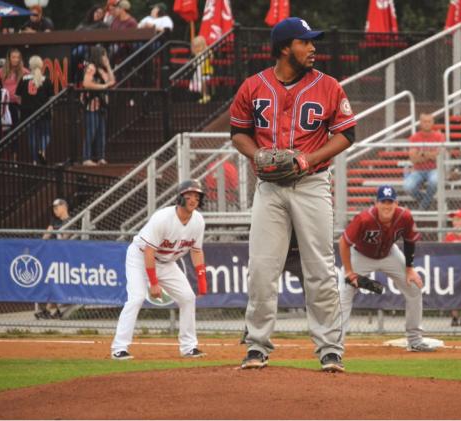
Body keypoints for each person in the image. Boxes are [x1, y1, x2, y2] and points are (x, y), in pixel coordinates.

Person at [230, 17, 356, 373]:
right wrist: (255, 154)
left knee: (319, 269)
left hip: (312, 185)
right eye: (306, 42)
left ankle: (330, 348)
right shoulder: (252, 87)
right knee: (261, 269)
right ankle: (256, 346)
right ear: (286, 47)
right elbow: (238, 133)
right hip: (269, 188)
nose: (313, 47)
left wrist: (308, 158)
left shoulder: (329, 86)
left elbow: (347, 133)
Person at [111, 180, 208, 359]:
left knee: (188, 298)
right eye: (189, 196)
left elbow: (196, 250)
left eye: (197, 196)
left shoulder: (198, 221)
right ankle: (119, 348)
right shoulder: (163, 218)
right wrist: (154, 283)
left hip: (167, 262)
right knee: (137, 298)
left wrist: (202, 279)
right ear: (180, 198)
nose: (194, 200)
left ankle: (189, 347)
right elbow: (149, 251)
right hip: (140, 258)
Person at [338, 185, 436, 352]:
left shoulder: (404, 216)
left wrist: (409, 268)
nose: (387, 205)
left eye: (390, 202)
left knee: (414, 288)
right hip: (360, 256)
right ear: (376, 203)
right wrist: (349, 272)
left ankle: (415, 340)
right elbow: (344, 243)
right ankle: (335, 344)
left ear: (396, 203)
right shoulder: (364, 218)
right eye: (383, 201)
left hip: (390, 254)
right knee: (344, 292)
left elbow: (410, 240)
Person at [36, 198, 72, 319]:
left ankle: (48, 309)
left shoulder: (71, 221)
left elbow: (66, 238)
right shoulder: (54, 221)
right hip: (52, 257)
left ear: (64, 207)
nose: (55, 210)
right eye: (53, 208)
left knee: (54, 282)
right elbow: (45, 237)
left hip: (64, 259)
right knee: (50, 281)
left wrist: (57, 234)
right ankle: (54, 310)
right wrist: (52, 232)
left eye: (57, 207)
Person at [15, 56, 54, 165]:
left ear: (30, 66)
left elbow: (17, 97)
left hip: (27, 113)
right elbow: (51, 98)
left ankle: (35, 160)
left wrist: (23, 105)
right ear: (41, 65)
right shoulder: (46, 80)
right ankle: (41, 150)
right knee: (46, 135)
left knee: (32, 136)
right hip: (43, 113)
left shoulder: (23, 79)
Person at [403, 113, 446, 210]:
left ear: (433, 122)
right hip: (418, 170)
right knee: (407, 187)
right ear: (420, 123)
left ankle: (423, 206)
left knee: (434, 181)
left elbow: (439, 156)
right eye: (424, 122)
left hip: (435, 169)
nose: (427, 124)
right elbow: (413, 159)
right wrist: (430, 154)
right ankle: (426, 200)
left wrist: (421, 153)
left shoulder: (439, 136)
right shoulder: (414, 137)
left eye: (429, 121)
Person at [82, 45, 115, 166]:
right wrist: (102, 86)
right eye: (104, 55)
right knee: (92, 130)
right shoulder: (91, 67)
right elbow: (86, 83)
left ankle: (101, 157)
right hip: (92, 104)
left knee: (101, 131)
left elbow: (112, 81)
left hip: (102, 104)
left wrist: (108, 66)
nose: (105, 57)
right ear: (98, 55)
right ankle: (86, 158)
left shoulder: (102, 69)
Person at [190, 35, 213, 104]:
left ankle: (205, 95)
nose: (197, 49)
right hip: (199, 71)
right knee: (199, 82)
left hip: (206, 71)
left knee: (203, 82)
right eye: (195, 47)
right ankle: (203, 95)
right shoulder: (197, 55)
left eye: (199, 46)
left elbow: (211, 57)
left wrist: (208, 52)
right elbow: (195, 64)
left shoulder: (206, 52)